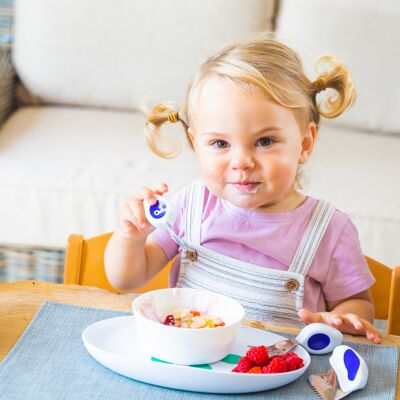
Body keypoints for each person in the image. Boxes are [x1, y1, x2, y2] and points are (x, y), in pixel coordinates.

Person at [105, 35, 382, 343]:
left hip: (274, 377)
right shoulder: (192, 206)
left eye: (264, 141)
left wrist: (343, 318)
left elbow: (360, 305)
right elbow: (127, 278)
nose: (242, 162)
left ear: (304, 144)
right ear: (197, 145)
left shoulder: (329, 230)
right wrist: (130, 238)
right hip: (191, 364)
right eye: (220, 143)